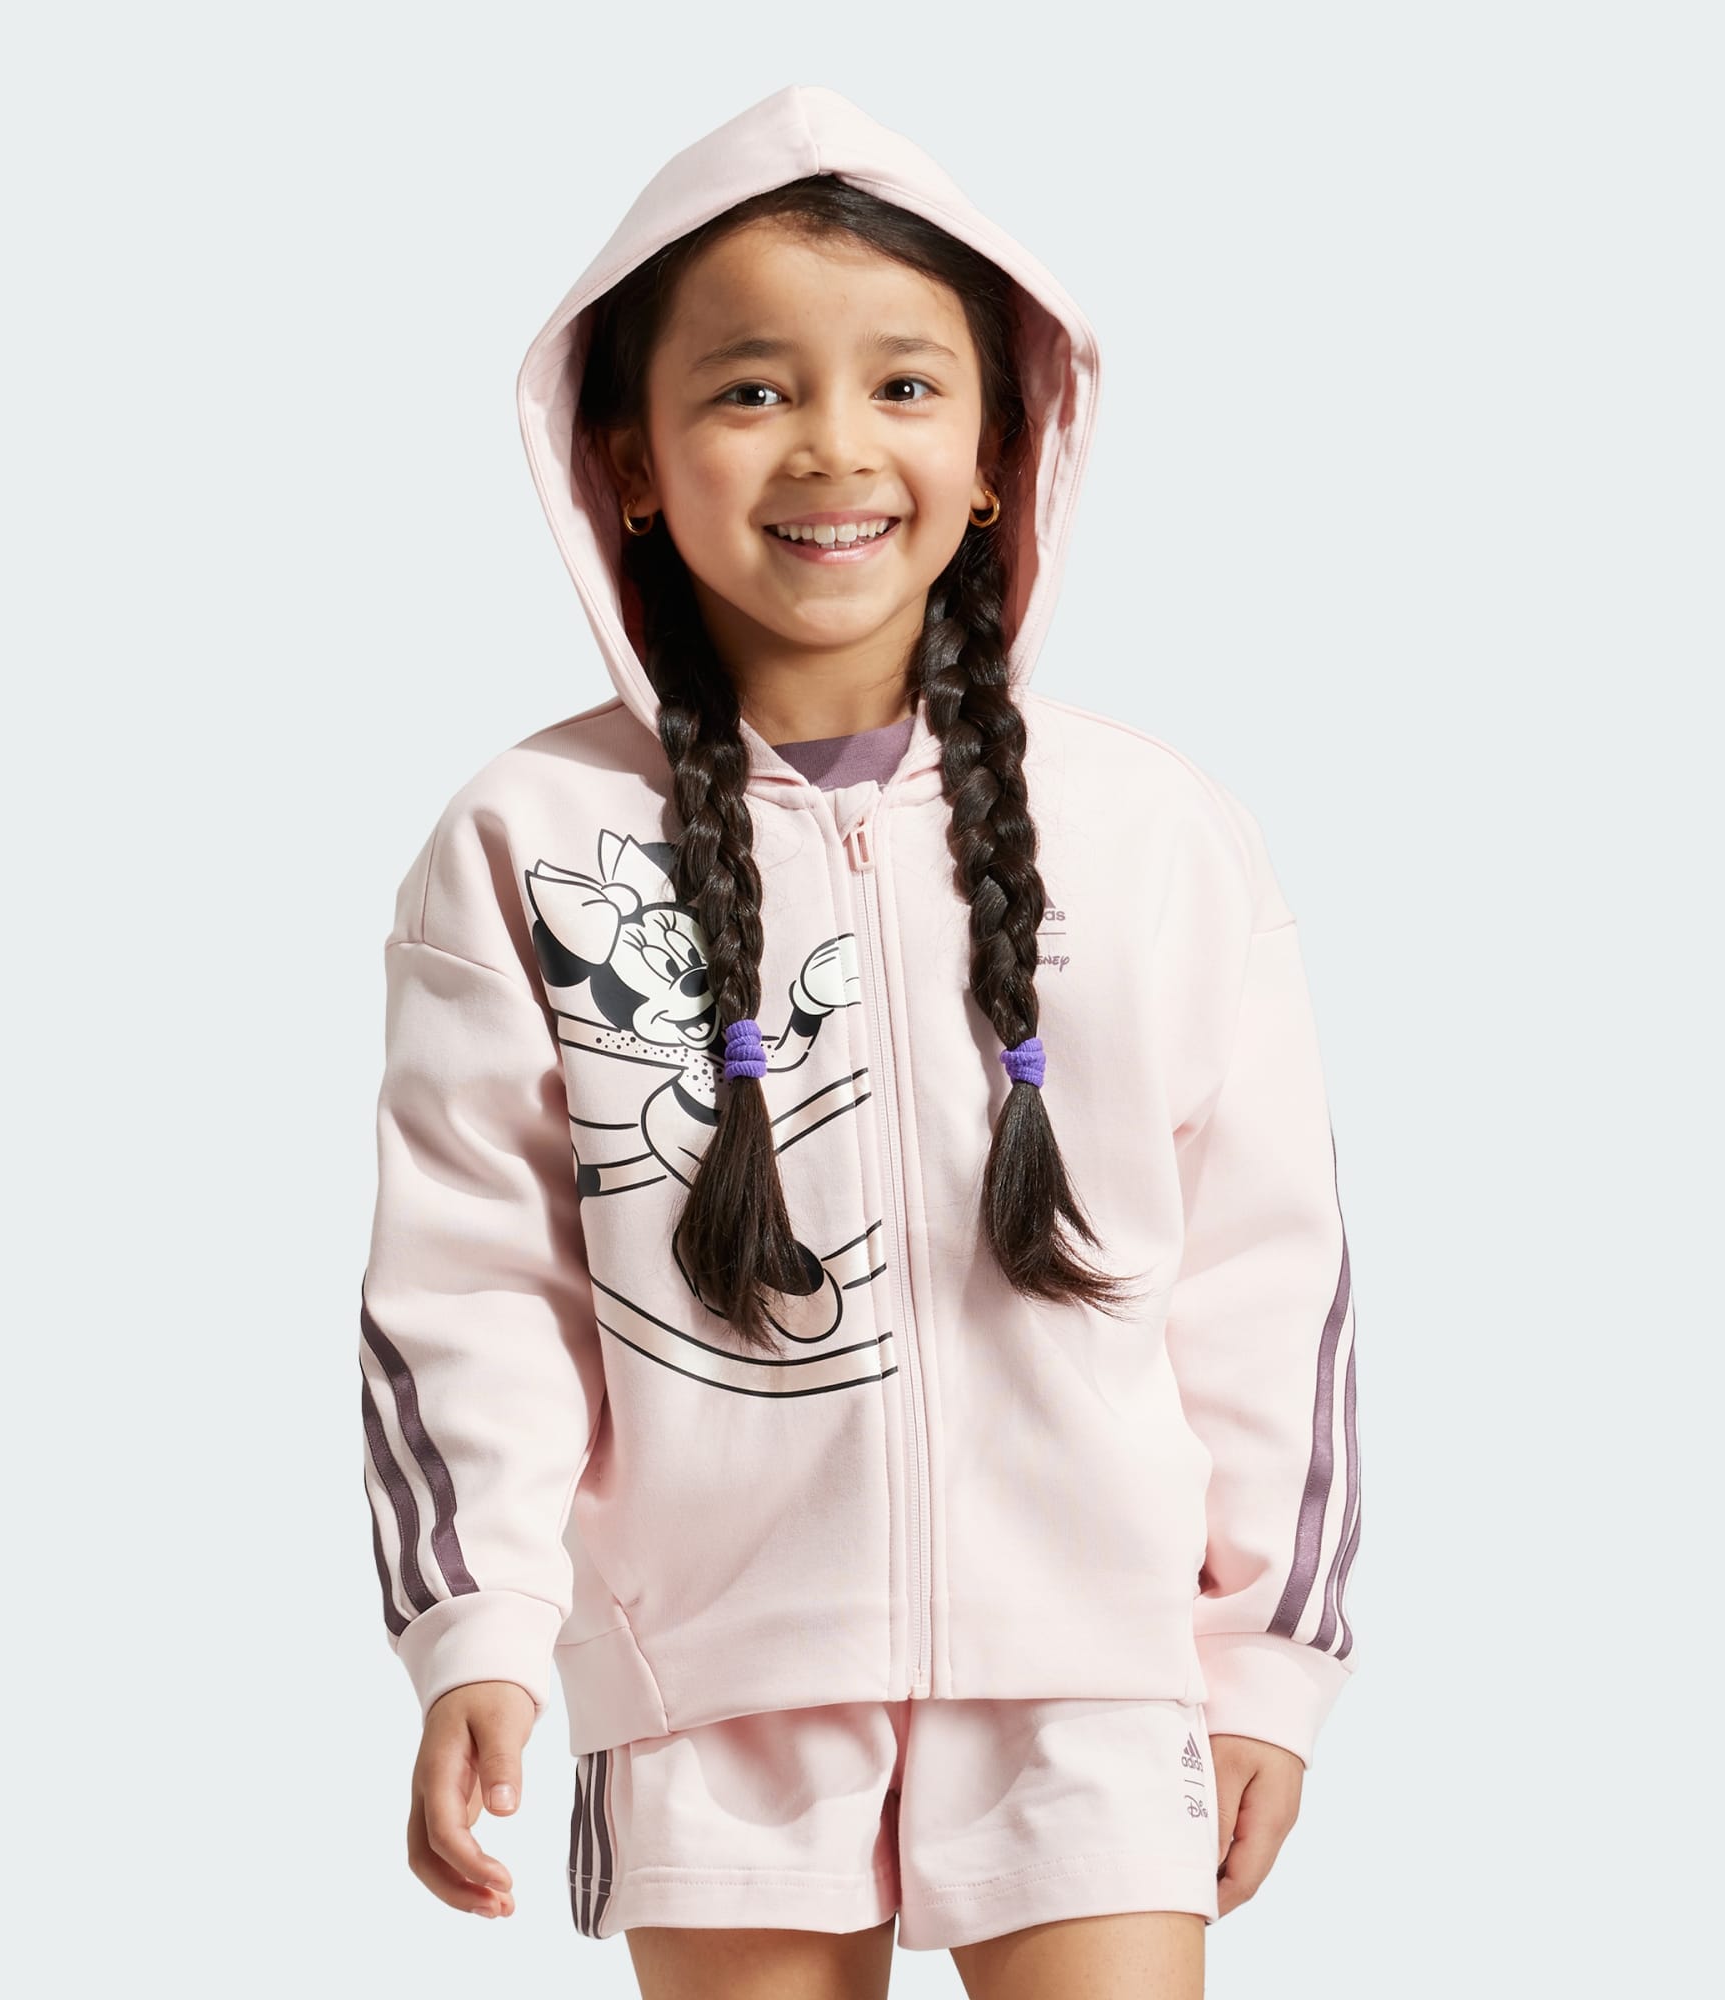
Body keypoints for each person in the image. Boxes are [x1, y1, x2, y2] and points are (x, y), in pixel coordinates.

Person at [358, 81, 1361, 2000]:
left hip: (1095, 1673)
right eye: (750, 389)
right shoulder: (525, 842)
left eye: (905, 384)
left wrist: (1266, 1665)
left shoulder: (1154, 833)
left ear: (998, 450)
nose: (832, 442)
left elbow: (1269, 1275)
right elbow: (470, 1283)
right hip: (714, 1677)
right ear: (627, 458)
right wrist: (475, 1623)